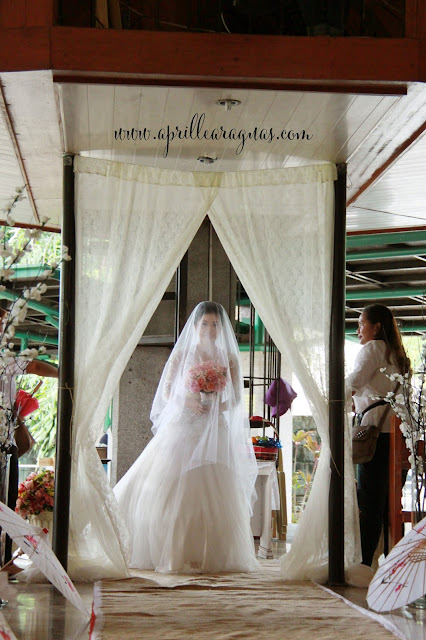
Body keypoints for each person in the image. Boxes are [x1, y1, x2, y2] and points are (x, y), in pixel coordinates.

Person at [114, 301, 259, 574]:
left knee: (216, 491)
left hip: (213, 429)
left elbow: (237, 398)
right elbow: (167, 392)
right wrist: (190, 403)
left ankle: (210, 554)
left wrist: (216, 406)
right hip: (184, 425)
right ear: (195, 326)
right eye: (205, 324)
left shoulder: (228, 358)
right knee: (171, 488)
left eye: (215, 324)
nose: (210, 329)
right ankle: (172, 550)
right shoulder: (182, 354)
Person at [346, 304, 410, 567]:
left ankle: (363, 564)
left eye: (361, 324)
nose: (358, 330)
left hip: (373, 435)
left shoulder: (373, 348)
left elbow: (352, 382)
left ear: (376, 327)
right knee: (389, 506)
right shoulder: (398, 354)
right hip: (398, 436)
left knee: (369, 503)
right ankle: (392, 561)